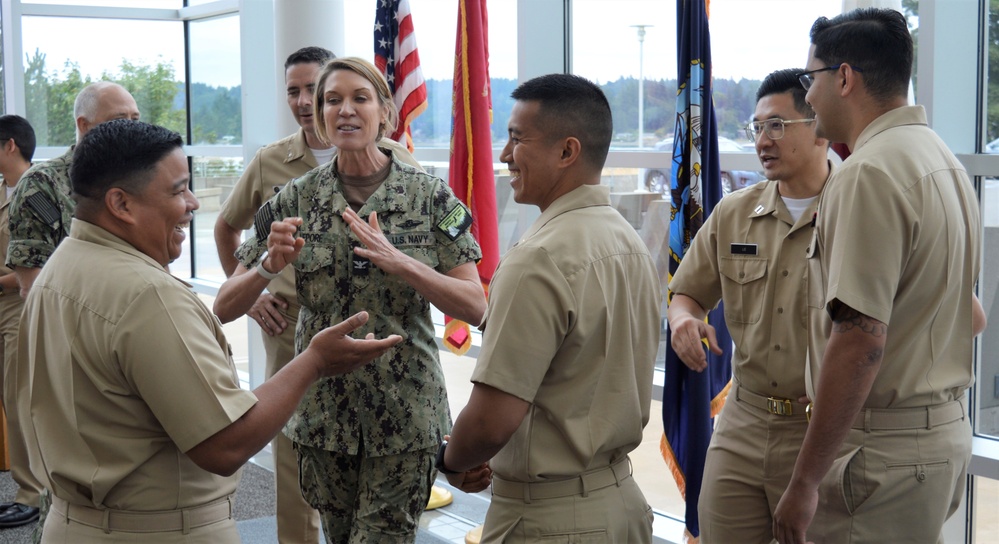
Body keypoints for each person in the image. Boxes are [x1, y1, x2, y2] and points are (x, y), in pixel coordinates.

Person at [15, 118, 401, 543]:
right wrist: (314, 362)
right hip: (153, 530)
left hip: (71, 524)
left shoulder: (58, 269)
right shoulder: (146, 296)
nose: (193, 203)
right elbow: (225, 445)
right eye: (178, 190)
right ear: (121, 204)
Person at [215, 56, 485, 543]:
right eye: (331, 100)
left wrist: (402, 262)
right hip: (323, 418)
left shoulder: (430, 198)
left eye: (359, 98)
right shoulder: (293, 199)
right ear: (319, 115)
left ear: (385, 112)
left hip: (404, 416)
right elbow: (226, 306)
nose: (344, 110)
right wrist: (267, 267)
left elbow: (475, 305)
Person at [773, 8, 982, 543]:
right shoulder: (940, 160)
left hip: (878, 455)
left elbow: (859, 342)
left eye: (810, 79)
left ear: (844, 78)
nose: (808, 96)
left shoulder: (868, 171)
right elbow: (970, 314)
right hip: (935, 440)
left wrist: (804, 480)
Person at [438, 73, 661, 543]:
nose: (503, 155)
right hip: (621, 505)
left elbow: (492, 419)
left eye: (517, 139)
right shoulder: (628, 241)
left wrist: (450, 460)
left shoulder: (539, 258)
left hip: (550, 522)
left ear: (567, 152)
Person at [667, 68, 831, 543]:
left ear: (819, 128)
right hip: (743, 421)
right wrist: (683, 321)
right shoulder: (735, 212)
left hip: (818, 431)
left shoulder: (858, 208)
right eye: (757, 127)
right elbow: (687, 293)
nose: (763, 140)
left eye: (777, 126)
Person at [7, 81, 140, 298]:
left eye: (135, 119)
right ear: (84, 125)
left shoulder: (139, 179)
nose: (130, 128)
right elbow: (32, 284)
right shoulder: (43, 183)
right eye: (118, 120)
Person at [0, 115, 40, 531]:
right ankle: (24, 488)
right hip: (3, 305)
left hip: (22, 305)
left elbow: (42, 260)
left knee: (20, 398)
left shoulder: (37, 190)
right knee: (8, 398)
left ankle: (32, 493)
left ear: (10, 145)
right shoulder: (4, 191)